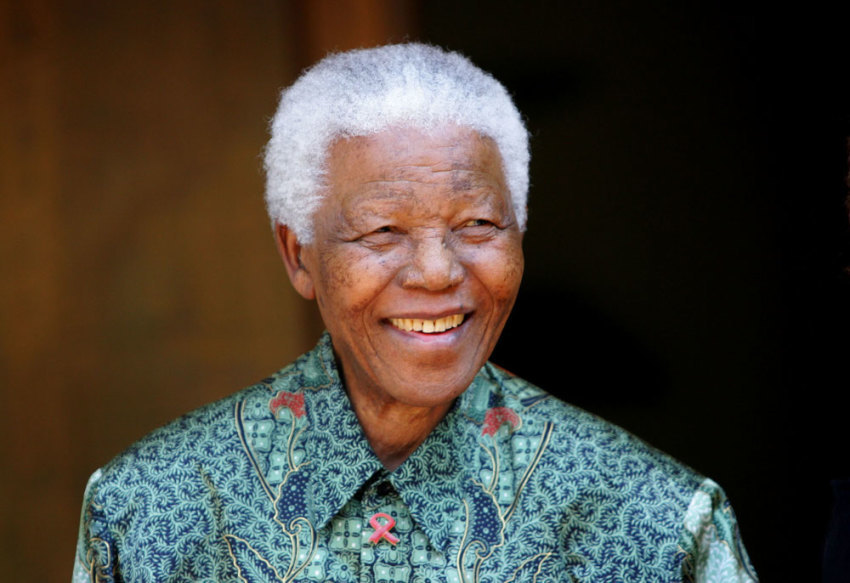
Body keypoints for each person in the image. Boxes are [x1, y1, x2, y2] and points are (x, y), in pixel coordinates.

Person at [73, 43, 757, 582]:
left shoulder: (659, 522)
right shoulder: (152, 511)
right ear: (298, 254)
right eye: (382, 231)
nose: (437, 271)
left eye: (478, 224)